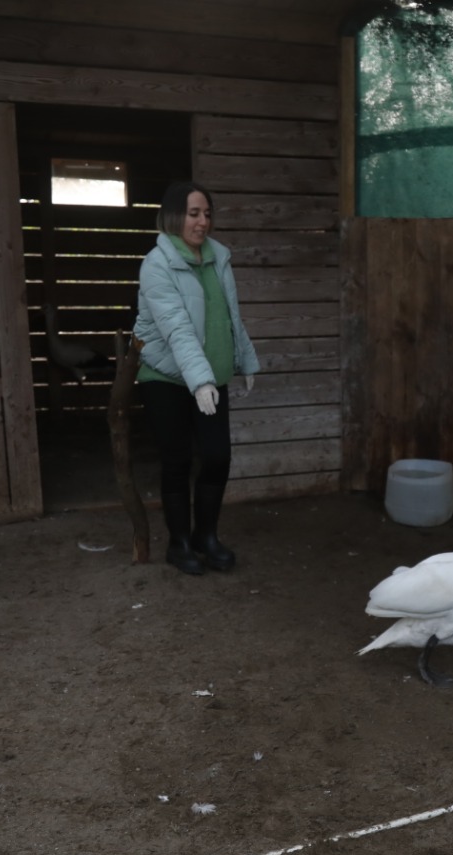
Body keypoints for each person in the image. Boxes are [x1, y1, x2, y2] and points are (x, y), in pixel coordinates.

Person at [132, 181, 259, 575]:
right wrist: (200, 380)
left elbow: (229, 316)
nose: (202, 222)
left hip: (210, 378)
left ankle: (207, 537)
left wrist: (244, 360)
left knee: (218, 457)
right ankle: (179, 543)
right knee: (177, 460)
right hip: (166, 377)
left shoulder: (219, 257)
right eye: (193, 214)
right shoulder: (157, 264)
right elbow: (177, 328)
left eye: (206, 214)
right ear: (174, 216)